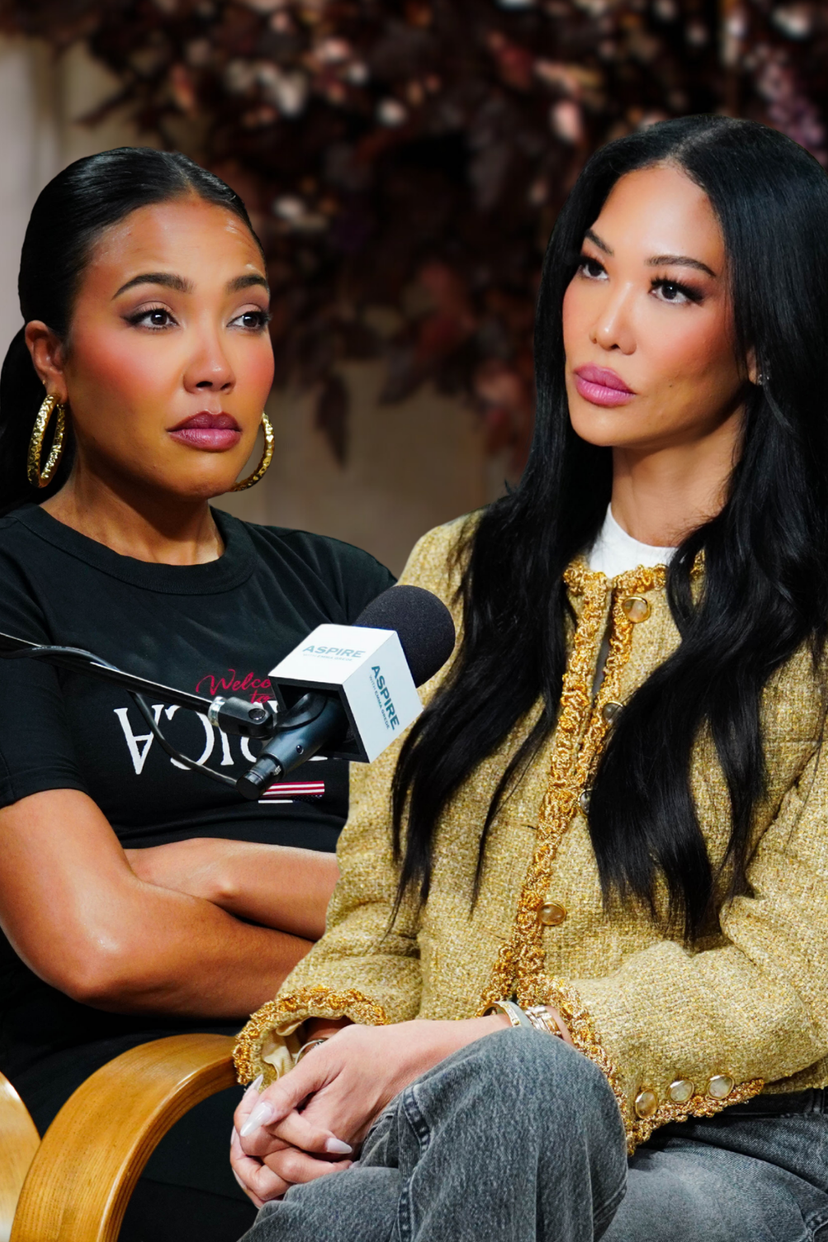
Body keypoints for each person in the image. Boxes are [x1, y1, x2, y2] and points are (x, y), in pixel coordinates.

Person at [230, 114, 828, 1242]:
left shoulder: (815, 621)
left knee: (513, 1099)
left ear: (763, 339)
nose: (607, 324)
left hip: (743, 1149)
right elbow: (374, 914)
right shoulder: (455, 574)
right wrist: (312, 1070)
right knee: (336, 1211)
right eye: (594, 269)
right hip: (453, 1130)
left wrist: (495, 1047)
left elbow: (795, 974)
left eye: (672, 290)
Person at [0, 147, 394, 1241]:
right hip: (137, 1104)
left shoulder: (347, 591)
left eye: (247, 318)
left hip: (373, 1068)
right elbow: (98, 941)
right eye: (156, 317)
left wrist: (212, 868)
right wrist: (365, 981)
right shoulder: (14, 586)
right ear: (52, 356)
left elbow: (461, 894)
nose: (215, 366)